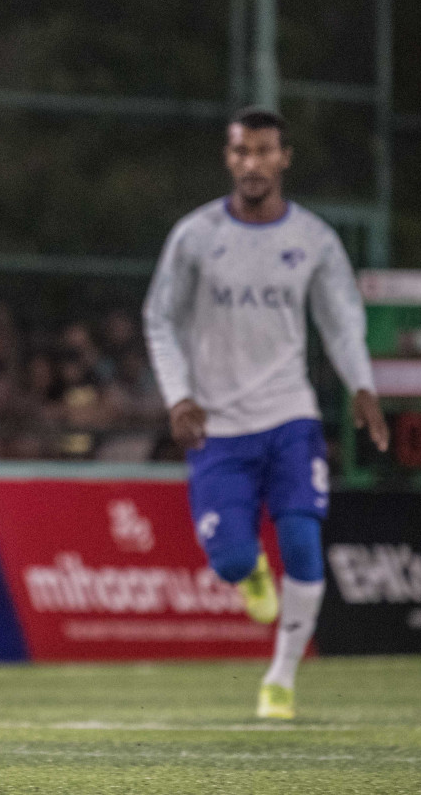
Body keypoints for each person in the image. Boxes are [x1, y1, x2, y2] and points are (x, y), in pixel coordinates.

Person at [143, 107, 389, 721]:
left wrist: (362, 384)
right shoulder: (196, 236)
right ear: (230, 159)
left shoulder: (313, 239)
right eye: (241, 153)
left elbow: (340, 321)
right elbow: (160, 318)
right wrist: (179, 395)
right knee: (229, 560)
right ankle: (248, 569)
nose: (253, 163)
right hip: (218, 426)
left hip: (290, 416)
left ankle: (280, 678)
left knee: (304, 544)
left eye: (264, 152)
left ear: (283, 158)